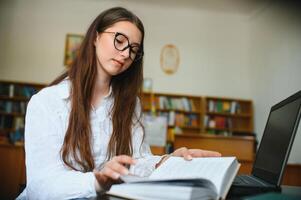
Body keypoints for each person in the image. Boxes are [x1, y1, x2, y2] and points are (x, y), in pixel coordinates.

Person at [17, 7, 221, 199]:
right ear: (96, 37)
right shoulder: (47, 102)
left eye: (133, 49)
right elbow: (40, 186)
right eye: (119, 40)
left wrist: (168, 161)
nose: (125, 54)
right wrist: (97, 180)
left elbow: (138, 160)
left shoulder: (131, 104)